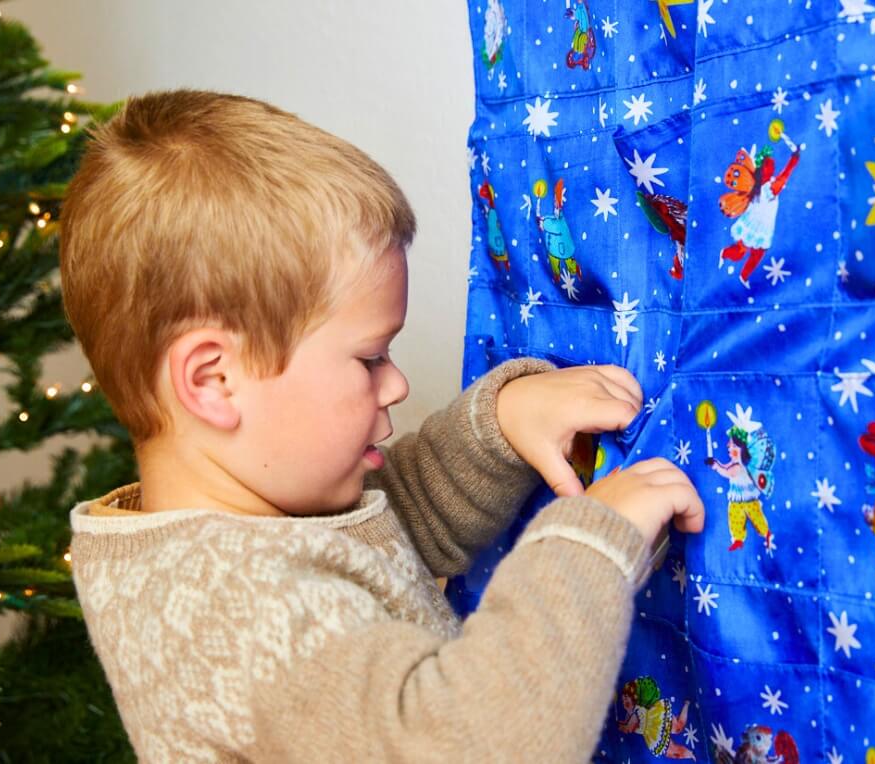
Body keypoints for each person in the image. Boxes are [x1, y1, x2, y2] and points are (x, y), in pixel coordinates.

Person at [60, 89, 705, 762]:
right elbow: (469, 743)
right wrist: (588, 547)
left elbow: (386, 534)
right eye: (369, 358)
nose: (395, 383)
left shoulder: (244, 525)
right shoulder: (230, 614)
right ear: (213, 381)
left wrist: (502, 421)